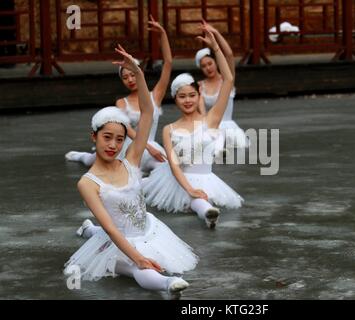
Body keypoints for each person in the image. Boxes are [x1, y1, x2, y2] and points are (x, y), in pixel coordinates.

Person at [64, 45, 197, 297]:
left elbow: (147, 112)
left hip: (148, 230)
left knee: (126, 247)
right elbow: (113, 230)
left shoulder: (132, 160)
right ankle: (168, 285)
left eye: (118, 139)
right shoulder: (87, 182)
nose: (113, 145)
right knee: (140, 265)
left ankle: (89, 229)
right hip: (117, 241)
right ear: (94, 136)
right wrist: (138, 257)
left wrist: (139, 73)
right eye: (107, 138)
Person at [141, 23, 243, 229]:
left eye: (191, 95)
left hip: (205, 176)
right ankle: (206, 212)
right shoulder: (168, 129)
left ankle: (206, 211)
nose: (187, 100)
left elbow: (229, 78)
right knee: (146, 187)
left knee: (196, 197)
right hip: (177, 179)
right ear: (175, 99)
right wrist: (189, 188)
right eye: (182, 96)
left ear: (199, 96)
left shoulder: (211, 119)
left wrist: (215, 47)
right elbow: (174, 164)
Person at [65, 15, 169, 173]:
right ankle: (81, 156)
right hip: (129, 147)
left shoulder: (155, 96)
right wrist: (148, 148)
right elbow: (127, 129)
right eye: (125, 77)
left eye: (133, 75)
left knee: (165, 168)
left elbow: (168, 63)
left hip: (151, 147)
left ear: (139, 73)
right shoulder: (122, 103)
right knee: (93, 160)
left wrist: (162, 34)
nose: (130, 79)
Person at [195, 20, 248, 157]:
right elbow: (201, 112)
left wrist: (216, 33)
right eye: (204, 66)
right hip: (210, 127)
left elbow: (229, 55)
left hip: (229, 128)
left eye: (210, 63)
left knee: (236, 148)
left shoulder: (227, 80)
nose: (208, 68)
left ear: (216, 62)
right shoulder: (200, 85)